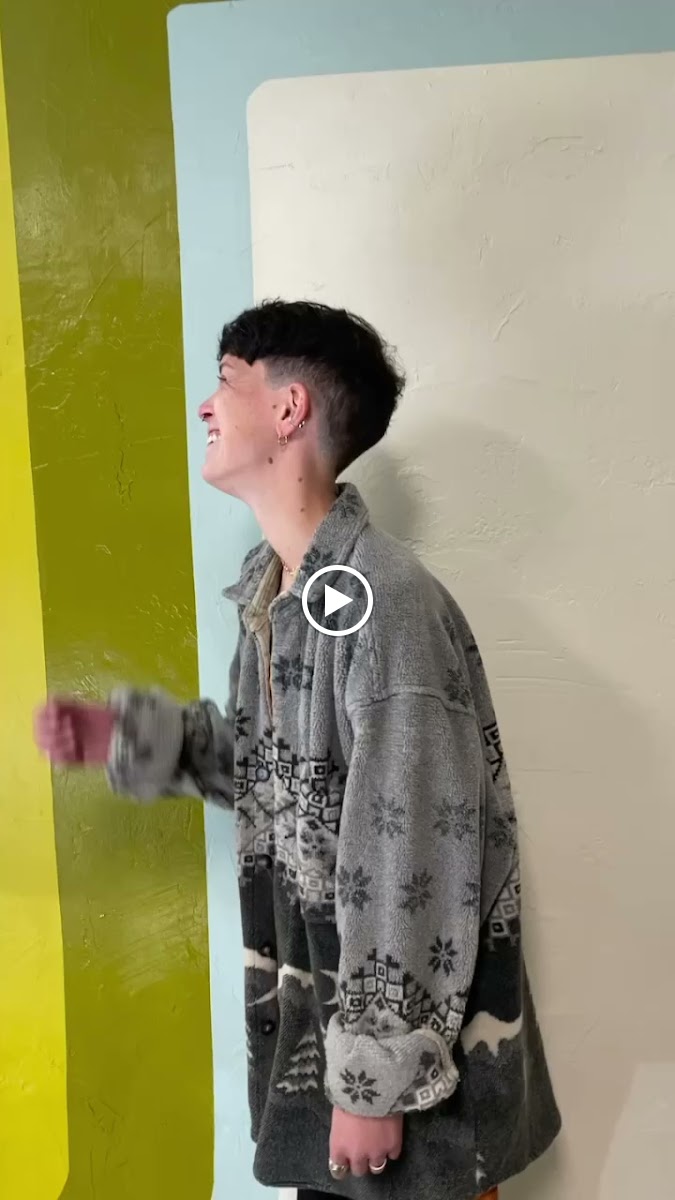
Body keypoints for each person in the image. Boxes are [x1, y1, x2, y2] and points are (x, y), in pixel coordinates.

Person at [35, 300, 561, 1199]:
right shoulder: (284, 597)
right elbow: (285, 780)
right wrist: (138, 739)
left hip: (405, 1093)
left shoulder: (385, 605)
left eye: (225, 382)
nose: (204, 406)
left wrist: (374, 1080)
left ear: (289, 409)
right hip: (330, 1063)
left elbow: (412, 849)